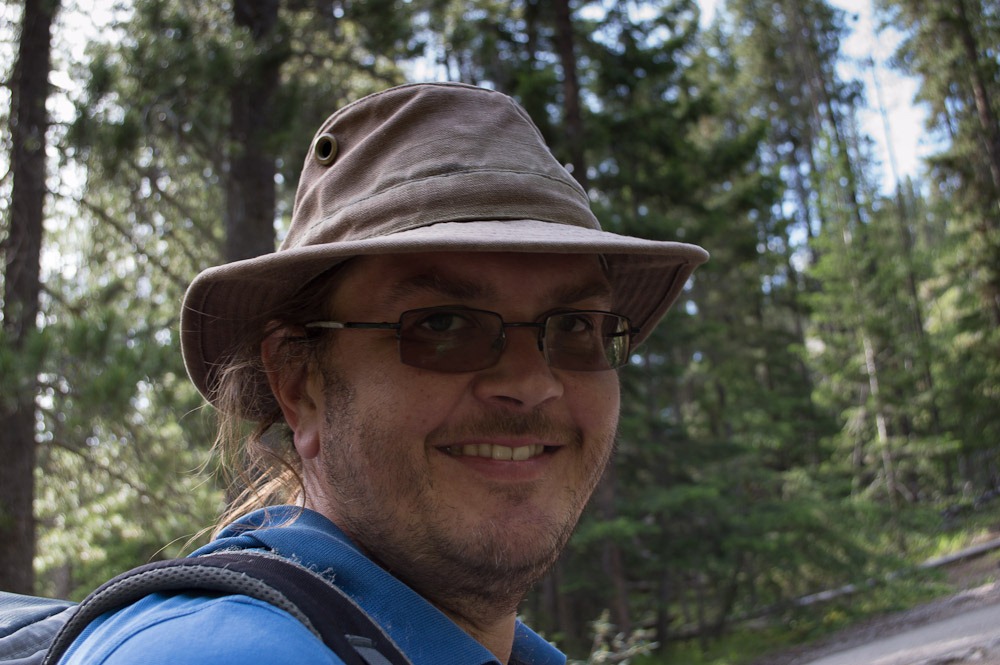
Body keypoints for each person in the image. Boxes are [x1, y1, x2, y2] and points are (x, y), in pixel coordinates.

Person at [61, 82, 708, 665]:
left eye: (576, 327)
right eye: (443, 324)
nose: (533, 382)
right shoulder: (222, 651)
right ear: (298, 384)